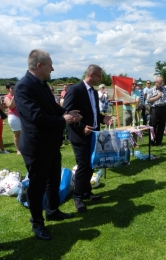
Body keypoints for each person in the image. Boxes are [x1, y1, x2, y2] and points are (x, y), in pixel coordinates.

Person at [15, 49, 82, 240]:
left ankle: (52, 211)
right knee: (37, 187)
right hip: (36, 147)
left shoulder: (42, 84)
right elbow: (35, 116)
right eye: (49, 65)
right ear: (39, 66)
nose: (52, 69)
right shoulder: (23, 87)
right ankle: (37, 224)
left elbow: (53, 108)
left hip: (51, 144)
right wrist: (64, 120)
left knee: (53, 180)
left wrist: (69, 113)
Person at [63, 64, 111, 213]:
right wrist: (81, 127)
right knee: (83, 165)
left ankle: (86, 192)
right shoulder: (75, 90)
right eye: (99, 76)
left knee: (91, 164)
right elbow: (67, 113)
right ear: (91, 75)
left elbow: (94, 112)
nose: (101, 79)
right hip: (79, 135)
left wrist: (103, 119)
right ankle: (77, 197)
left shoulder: (94, 92)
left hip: (94, 134)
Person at [147, 76, 166, 146]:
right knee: (153, 126)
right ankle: (151, 142)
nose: (161, 84)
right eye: (160, 83)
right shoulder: (151, 90)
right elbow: (148, 100)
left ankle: (159, 142)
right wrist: (157, 96)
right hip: (154, 109)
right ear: (156, 82)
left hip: (163, 108)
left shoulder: (165, 89)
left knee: (161, 126)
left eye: (162, 83)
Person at [4, 82, 21, 154]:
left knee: (24, 133)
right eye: (12, 88)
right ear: (8, 89)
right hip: (13, 117)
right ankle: (18, 150)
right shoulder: (7, 97)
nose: (14, 89)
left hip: (21, 116)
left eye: (15, 88)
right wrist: (14, 96)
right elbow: (11, 106)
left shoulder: (20, 95)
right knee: (17, 134)